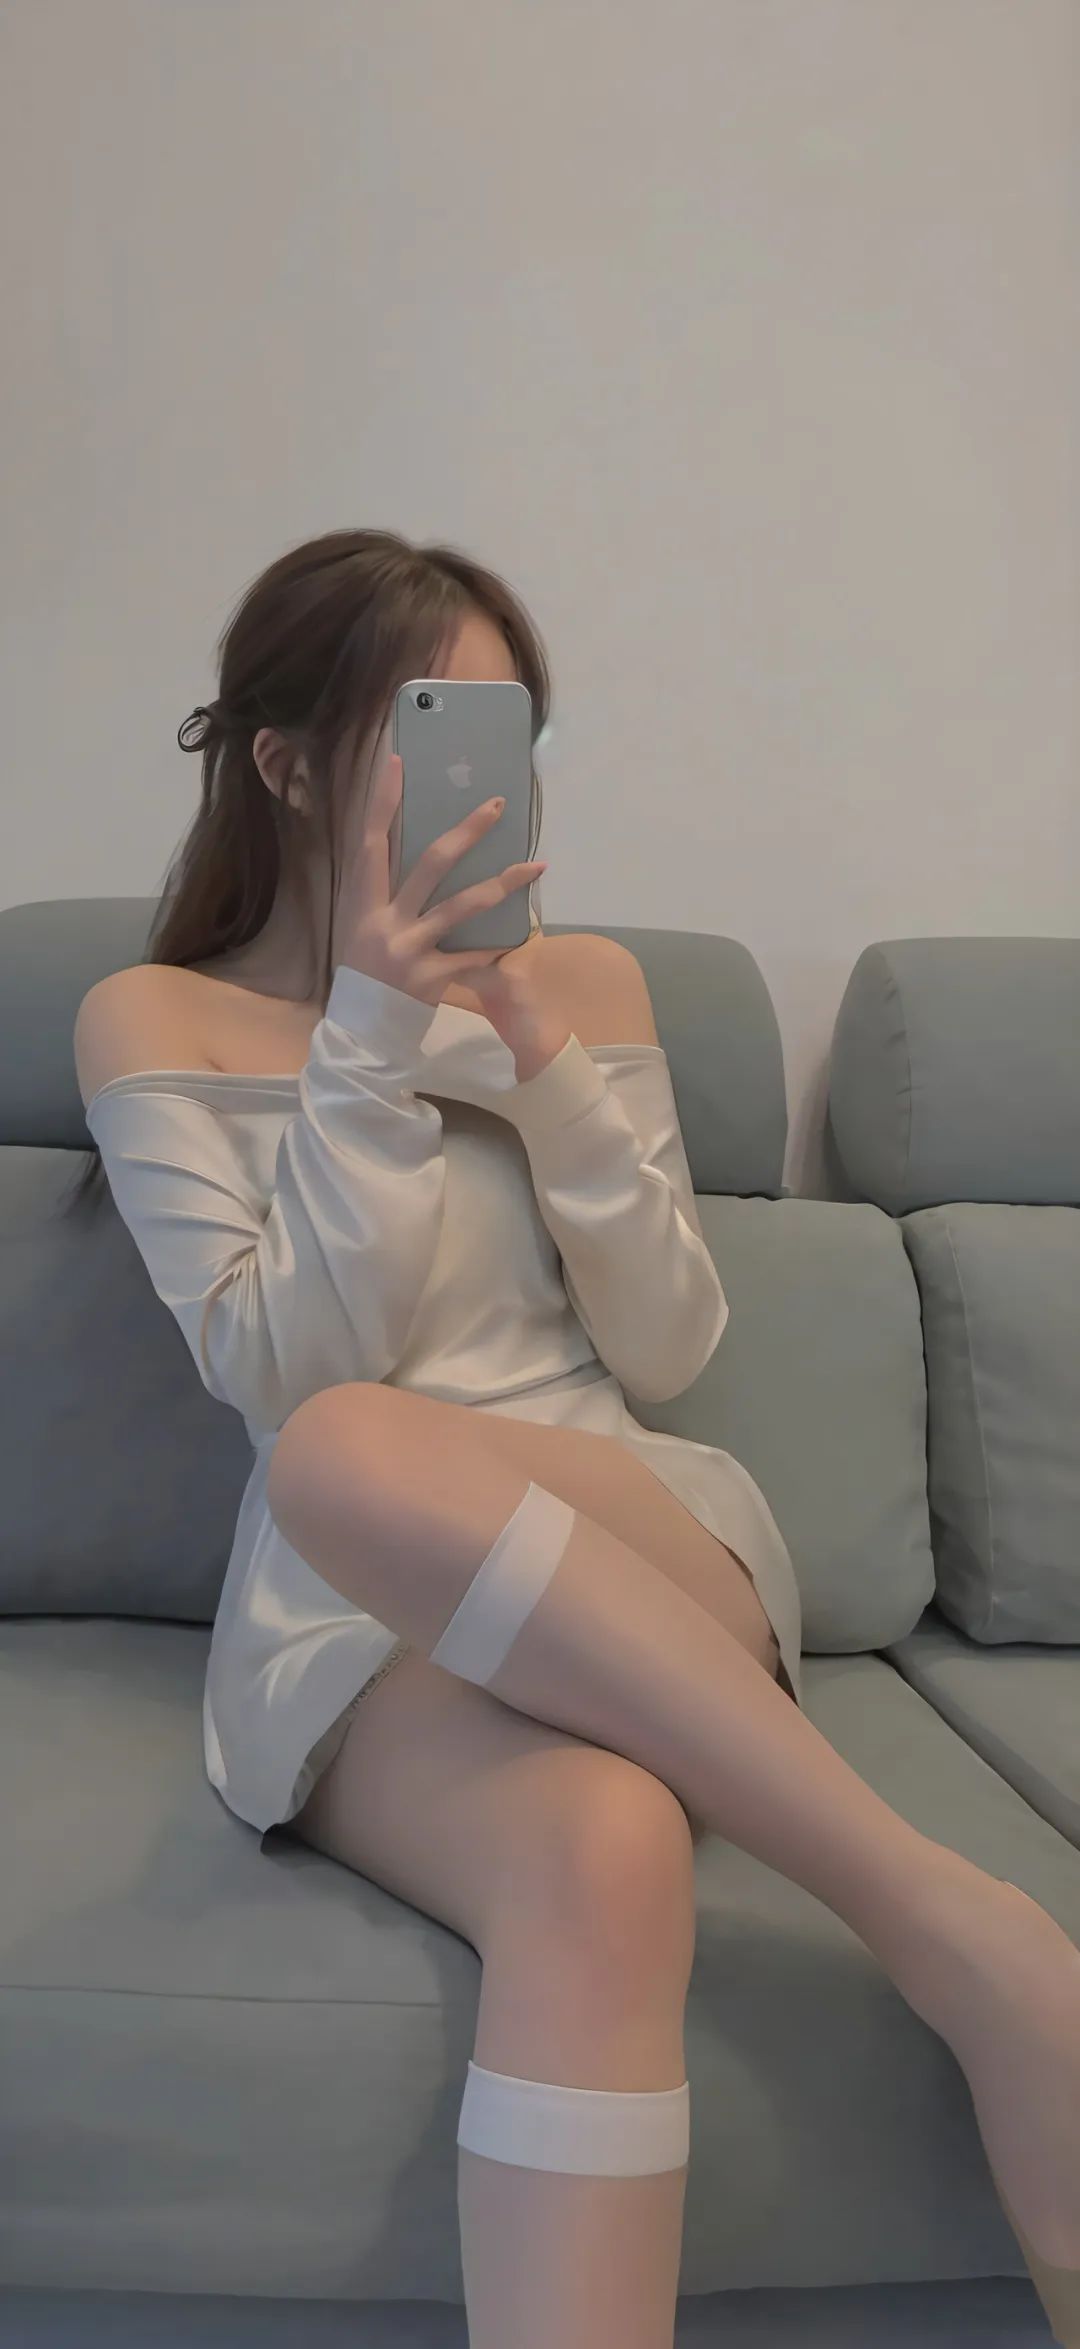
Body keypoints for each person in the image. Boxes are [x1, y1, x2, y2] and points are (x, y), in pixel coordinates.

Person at [70, 529, 1079, 2349]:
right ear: (286, 763)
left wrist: (542, 1068)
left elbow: (670, 1341)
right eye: (429, 727)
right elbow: (287, 1372)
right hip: (356, 1603)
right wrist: (370, 1037)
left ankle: (957, 1933)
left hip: (639, 1539)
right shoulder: (154, 1020)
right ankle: (961, 1927)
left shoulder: (590, 989)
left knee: (353, 1444)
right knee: (577, 1817)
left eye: (507, 734)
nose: (483, 781)